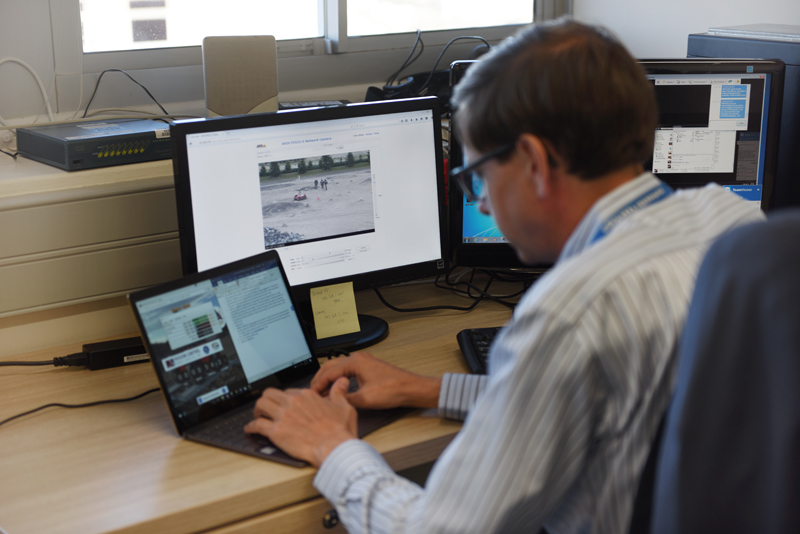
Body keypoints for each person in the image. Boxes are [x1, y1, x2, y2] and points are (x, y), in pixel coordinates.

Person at [245, 18, 764, 534]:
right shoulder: (736, 225)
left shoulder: (571, 311)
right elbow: (591, 408)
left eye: (477, 175)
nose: (483, 201)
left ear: (534, 162)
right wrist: (426, 389)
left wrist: (331, 446)